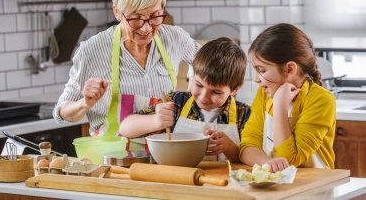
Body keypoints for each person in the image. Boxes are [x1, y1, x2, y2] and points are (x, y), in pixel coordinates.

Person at [53, 0, 201, 146]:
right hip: (114, 162)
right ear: (117, 11)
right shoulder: (92, 50)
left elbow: (211, 67)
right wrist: (84, 103)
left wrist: (197, 88)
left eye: (154, 16)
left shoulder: (175, 39)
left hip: (165, 158)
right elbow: (61, 112)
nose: (146, 28)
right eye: (136, 18)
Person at [119, 37, 251, 162]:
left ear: (234, 90)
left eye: (216, 92)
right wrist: (155, 121)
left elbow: (252, 158)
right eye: (199, 85)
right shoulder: (177, 102)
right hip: (179, 180)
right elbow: (125, 128)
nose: (204, 97)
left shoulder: (245, 114)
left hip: (222, 184)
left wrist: (230, 148)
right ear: (193, 75)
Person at [239, 23, 336, 172]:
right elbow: (246, 147)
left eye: (262, 70)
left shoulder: (321, 100)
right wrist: (268, 163)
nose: (256, 79)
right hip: (279, 185)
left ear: (290, 69)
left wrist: (279, 106)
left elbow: (290, 159)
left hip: (316, 190)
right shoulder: (264, 95)